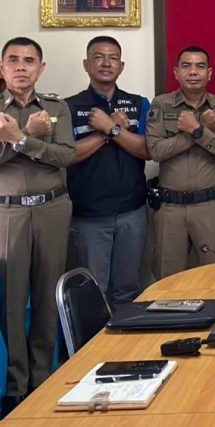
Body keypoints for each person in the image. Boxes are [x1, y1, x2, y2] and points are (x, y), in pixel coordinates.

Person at [0, 37, 74, 415]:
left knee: (47, 298)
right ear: (1, 67)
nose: (21, 67)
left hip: (52, 209)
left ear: (41, 68)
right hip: (7, 213)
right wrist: (14, 142)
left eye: (29, 60)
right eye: (13, 60)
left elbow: (67, 155)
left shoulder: (56, 107)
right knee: (10, 303)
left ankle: (42, 380)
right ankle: (14, 388)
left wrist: (21, 139)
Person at [66, 36, 151, 309]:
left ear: (121, 66)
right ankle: (95, 340)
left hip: (132, 211)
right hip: (89, 215)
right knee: (94, 293)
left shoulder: (138, 104)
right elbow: (68, 155)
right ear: (86, 64)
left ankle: (123, 338)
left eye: (113, 58)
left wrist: (112, 129)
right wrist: (107, 130)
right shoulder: (69, 107)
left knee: (127, 290)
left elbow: (147, 150)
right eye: (99, 57)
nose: (106, 63)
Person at [146, 46, 215, 278]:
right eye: (186, 66)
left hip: (211, 206)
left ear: (209, 73)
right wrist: (197, 132)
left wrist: (198, 131)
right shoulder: (161, 104)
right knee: (167, 278)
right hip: (170, 208)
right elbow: (156, 151)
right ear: (176, 72)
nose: (193, 72)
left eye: (200, 66)